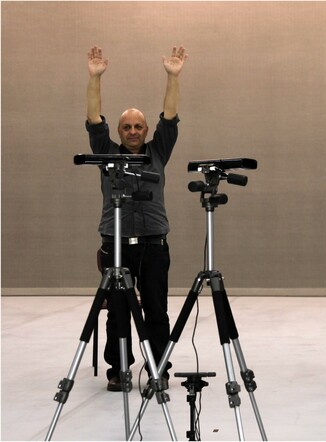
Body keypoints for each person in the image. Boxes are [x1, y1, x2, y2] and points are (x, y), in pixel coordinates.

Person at [86, 45, 188, 391]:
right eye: (126, 126)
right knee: (117, 311)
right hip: (115, 243)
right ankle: (119, 370)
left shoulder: (157, 152)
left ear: (145, 131)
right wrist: (95, 78)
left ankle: (158, 367)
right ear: (119, 131)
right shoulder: (106, 153)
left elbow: (170, 118)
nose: (132, 131)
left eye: (138, 127)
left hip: (154, 243)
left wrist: (173, 77)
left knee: (156, 311)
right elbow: (93, 119)